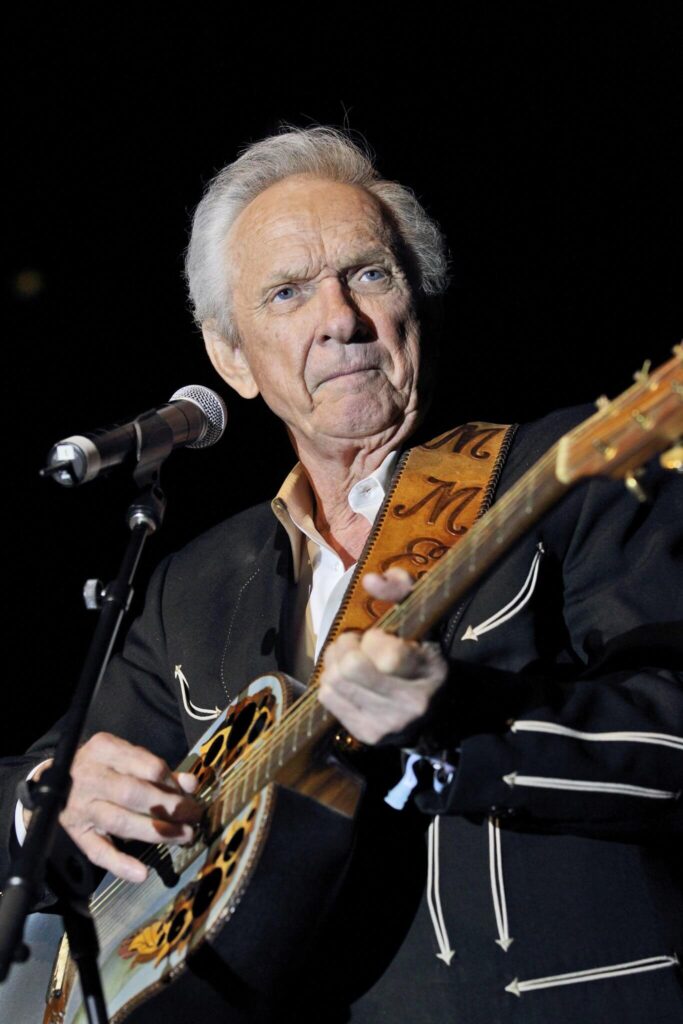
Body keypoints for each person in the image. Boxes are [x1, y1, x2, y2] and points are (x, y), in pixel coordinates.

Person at [1, 127, 682, 1023]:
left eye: (367, 274)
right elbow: (38, 786)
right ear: (231, 358)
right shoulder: (191, 589)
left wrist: (454, 716)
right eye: (287, 292)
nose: (340, 319)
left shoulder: (561, 477)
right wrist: (50, 801)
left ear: (417, 304)